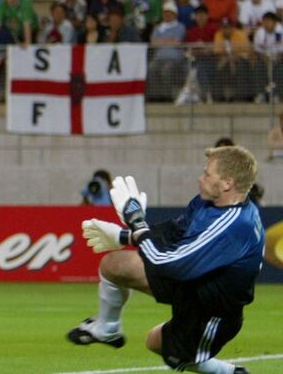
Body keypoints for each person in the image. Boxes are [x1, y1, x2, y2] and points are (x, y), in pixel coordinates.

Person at [68, 145, 263, 374]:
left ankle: (229, 372)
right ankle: (107, 329)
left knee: (159, 345)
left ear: (227, 183)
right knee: (115, 265)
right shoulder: (207, 203)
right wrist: (125, 236)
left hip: (210, 314)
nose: (200, 179)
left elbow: (164, 263)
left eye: (207, 174)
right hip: (193, 283)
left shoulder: (234, 224)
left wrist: (137, 223)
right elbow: (173, 232)